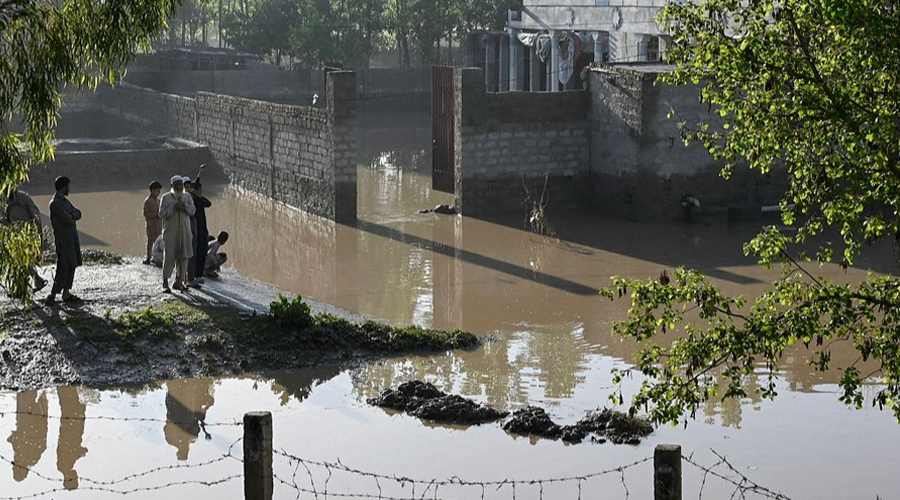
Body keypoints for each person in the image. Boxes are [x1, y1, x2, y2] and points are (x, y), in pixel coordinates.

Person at [46, 176, 82, 304]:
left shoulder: (65, 201)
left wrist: (72, 215)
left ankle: (66, 293)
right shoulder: (55, 203)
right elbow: (68, 218)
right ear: (63, 187)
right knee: (63, 266)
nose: (69, 189)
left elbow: (78, 213)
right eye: (68, 186)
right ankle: (53, 294)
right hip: (63, 240)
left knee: (72, 264)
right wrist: (72, 216)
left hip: (71, 239)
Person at [4, 189, 48, 291]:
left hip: (28, 235)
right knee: (18, 262)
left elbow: (36, 217)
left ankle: (26, 285)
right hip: (14, 237)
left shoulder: (23, 198)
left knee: (23, 261)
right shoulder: (3, 201)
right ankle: (28, 284)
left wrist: (39, 238)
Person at [159, 175, 195, 293]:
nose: (179, 187)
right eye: (177, 185)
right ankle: (165, 282)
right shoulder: (166, 198)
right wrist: (174, 208)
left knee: (184, 257)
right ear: (172, 186)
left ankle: (179, 281)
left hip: (185, 232)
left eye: (180, 184)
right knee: (169, 256)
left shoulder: (187, 197)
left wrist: (184, 206)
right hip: (171, 233)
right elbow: (162, 214)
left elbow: (193, 211)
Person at [190, 180, 211, 288]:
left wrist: (200, 196)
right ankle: (194, 275)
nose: (201, 191)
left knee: (202, 252)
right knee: (197, 253)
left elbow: (208, 203)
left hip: (203, 230)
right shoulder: (192, 200)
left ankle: (199, 274)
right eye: (200, 190)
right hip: (195, 231)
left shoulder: (199, 200)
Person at [142, 181, 163, 265]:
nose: (159, 192)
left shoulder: (158, 201)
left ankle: (158, 258)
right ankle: (148, 257)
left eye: (159, 191)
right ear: (152, 190)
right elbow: (145, 213)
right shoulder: (147, 201)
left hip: (159, 224)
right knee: (151, 242)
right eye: (157, 190)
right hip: (151, 225)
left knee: (159, 242)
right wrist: (155, 215)